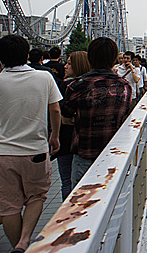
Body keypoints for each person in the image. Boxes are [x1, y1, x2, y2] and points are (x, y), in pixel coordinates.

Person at [0, 35, 62, 251]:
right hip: (35, 149)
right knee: (37, 195)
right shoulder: (44, 78)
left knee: (8, 206)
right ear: (27, 55)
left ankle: (19, 246)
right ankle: (25, 239)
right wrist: (54, 136)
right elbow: (55, 109)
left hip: (3, 152)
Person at [61, 37, 131, 188]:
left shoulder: (77, 85)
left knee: (80, 203)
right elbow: (125, 116)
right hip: (113, 154)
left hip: (85, 153)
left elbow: (66, 117)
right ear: (114, 59)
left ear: (90, 58)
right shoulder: (125, 86)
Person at [54, 51, 91, 201]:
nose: (65, 66)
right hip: (84, 140)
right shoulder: (91, 84)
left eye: (69, 63)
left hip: (66, 139)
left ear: (78, 65)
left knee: (67, 181)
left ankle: (67, 214)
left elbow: (63, 115)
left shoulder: (68, 85)